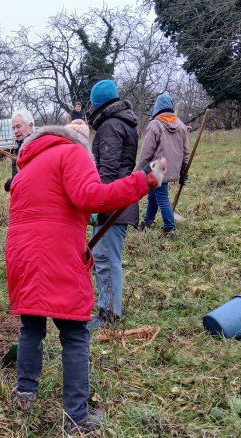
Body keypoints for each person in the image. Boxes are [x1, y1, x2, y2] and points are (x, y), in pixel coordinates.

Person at [5, 122, 166, 434]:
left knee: (31, 326)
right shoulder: (72, 153)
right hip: (54, 255)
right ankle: (76, 419)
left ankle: (24, 396)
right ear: (81, 141)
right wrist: (144, 180)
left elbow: (49, 210)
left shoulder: (28, 164)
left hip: (21, 254)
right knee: (75, 334)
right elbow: (91, 197)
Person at [85, 78, 141, 329]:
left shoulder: (110, 126)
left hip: (113, 205)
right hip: (119, 202)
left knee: (106, 258)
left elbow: (107, 172)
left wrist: (98, 207)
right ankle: (108, 307)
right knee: (107, 257)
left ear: (98, 104)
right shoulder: (124, 123)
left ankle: (108, 313)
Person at [136, 92, 190, 238]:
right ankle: (147, 221)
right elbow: (186, 153)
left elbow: (146, 152)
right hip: (173, 168)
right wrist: (183, 172)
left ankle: (169, 228)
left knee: (161, 198)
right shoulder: (181, 125)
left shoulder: (154, 125)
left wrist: (137, 171)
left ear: (157, 107)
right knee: (153, 196)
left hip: (158, 167)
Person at [4, 109, 36, 192]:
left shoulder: (36, 146)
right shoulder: (20, 146)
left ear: (30, 126)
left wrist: (14, 183)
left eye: (18, 127)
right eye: (13, 128)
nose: (15, 131)